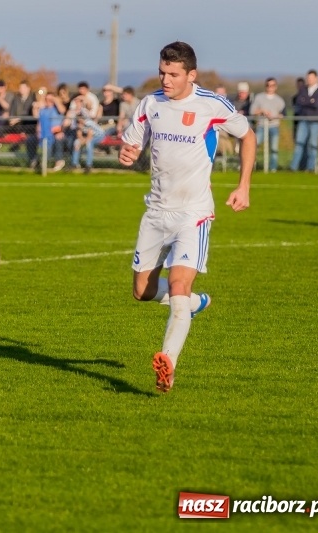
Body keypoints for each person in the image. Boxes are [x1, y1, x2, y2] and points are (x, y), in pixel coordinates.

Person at [118, 41, 255, 393]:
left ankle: (168, 363)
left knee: (178, 287)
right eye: (162, 72)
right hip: (156, 211)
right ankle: (196, 304)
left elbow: (248, 136)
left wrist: (244, 187)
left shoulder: (211, 104)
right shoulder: (151, 104)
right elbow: (134, 143)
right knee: (141, 291)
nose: (165, 79)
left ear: (190, 75)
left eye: (173, 74)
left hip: (193, 215)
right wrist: (129, 153)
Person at [290, 70, 318, 173]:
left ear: (316, 78)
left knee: (313, 144)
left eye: (311, 78)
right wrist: (310, 101)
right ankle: (294, 167)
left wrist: (306, 102)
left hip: (315, 121)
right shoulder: (303, 89)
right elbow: (298, 102)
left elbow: (317, 104)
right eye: (308, 78)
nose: (309, 80)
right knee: (299, 143)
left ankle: (310, 168)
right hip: (303, 120)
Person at [250, 78, 285, 172]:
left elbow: (283, 114)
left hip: (274, 126)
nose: (270, 87)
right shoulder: (259, 97)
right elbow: (252, 111)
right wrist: (262, 111)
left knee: (274, 148)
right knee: (254, 145)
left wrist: (274, 116)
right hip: (261, 126)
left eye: (272, 85)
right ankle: (250, 165)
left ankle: (273, 168)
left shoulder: (279, 100)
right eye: (268, 85)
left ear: (276, 87)